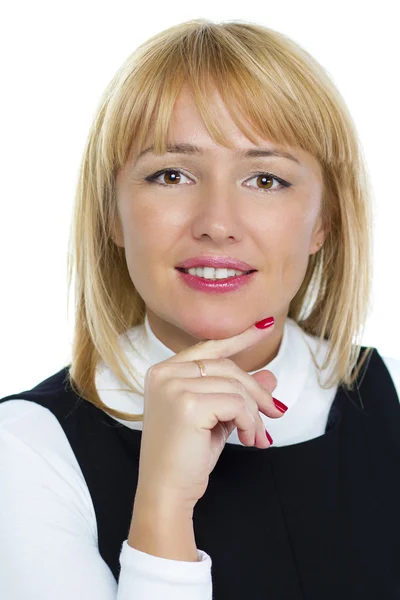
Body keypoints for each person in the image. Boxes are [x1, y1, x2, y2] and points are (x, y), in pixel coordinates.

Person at [1, 17, 399, 600]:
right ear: (111, 213)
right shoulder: (26, 452)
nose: (216, 223)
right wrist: (162, 506)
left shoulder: (382, 389)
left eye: (265, 179)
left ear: (324, 223)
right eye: (171, 174)